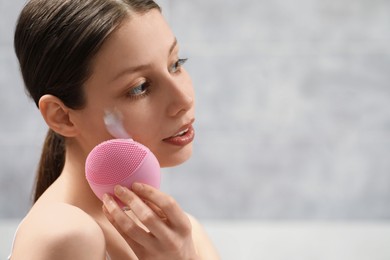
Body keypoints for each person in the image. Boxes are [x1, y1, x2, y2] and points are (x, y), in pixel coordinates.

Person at [10, 0, 219, 259]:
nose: (183, 100)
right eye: (140, 87)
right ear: (62, 116)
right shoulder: (66, 234)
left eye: (175, 64)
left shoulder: (182, 236)